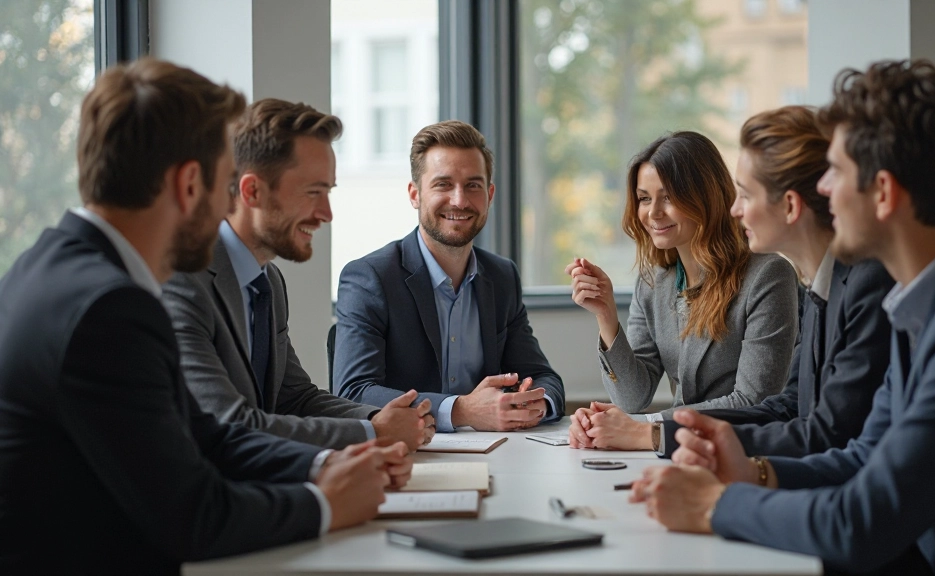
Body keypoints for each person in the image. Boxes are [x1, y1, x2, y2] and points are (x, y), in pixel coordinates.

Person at [0, 58, 410, 575]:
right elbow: (194, 516)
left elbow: (205, 435)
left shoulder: (49, 265)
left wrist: (327, 464)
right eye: (224, 183)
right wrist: (326, 505)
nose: (226, 206)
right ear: (189, 184)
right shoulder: (111, 310)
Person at [632, 60, 935, 576]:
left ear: (882, 192)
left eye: (835, 171)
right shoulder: (934, 291)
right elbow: (863, 456)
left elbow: (866, 520)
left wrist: (712, 506)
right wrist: (755, 471)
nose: (822, 189)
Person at [163, 98, 433, 452]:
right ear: (252, 191)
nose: (326, 213)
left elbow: (294, 399)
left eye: (328, 192)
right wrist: (374, 433)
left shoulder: (267, 281)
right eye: (312, 192)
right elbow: (229, 424)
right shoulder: (182, 280)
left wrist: (376, 419)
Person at [658, 106, 894, 458]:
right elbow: (786, 407)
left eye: (745, 195)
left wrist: (658, 437)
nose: (734, 210)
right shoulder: (821, 283)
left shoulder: (867, 284)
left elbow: (830, 433)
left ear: (789, 206)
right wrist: (663, 431)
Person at [565, 131, 799, 451]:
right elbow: (634, 397)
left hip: (745, 453)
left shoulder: (769, 275)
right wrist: (606, 316)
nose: (653, 212)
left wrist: (644, 428)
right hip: (679, 452)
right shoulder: (653, 282)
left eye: (669, 197)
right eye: (645, 198)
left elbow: (753, 400)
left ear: (706, 197)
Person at [333, 120, 565, 432]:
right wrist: (460, 411)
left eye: (473, 185)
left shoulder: (502, 276)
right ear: (415, 194)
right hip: (408, 453)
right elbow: (354, 392)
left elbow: (541, 376)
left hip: (494, 449)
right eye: (443, 184)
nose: (459, 200)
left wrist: (537, 402)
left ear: (490, 194)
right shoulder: (369, 278)